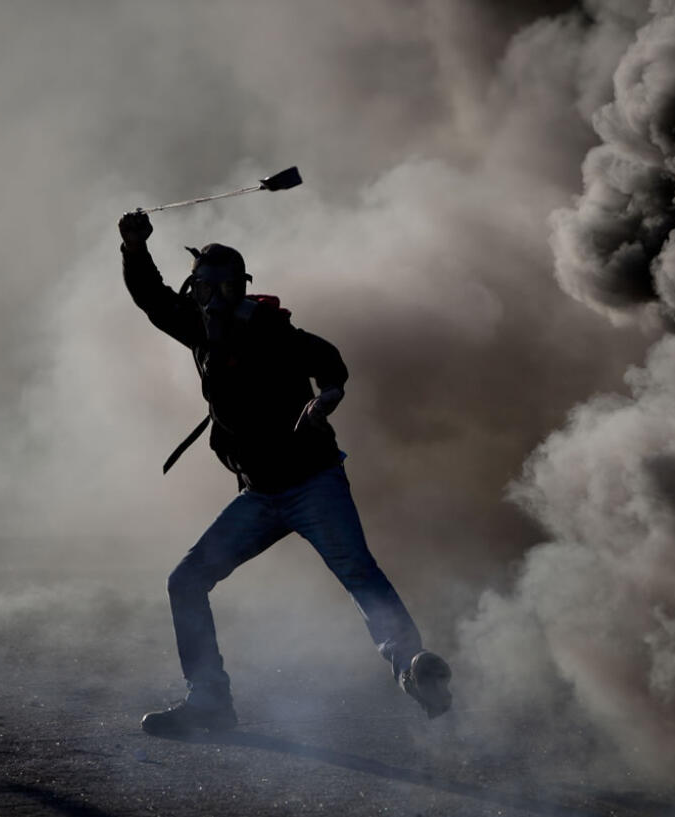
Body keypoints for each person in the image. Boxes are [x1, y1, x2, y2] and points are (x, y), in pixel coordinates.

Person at [118, 210, 451, 736]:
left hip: (312, 483)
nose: (213, 300)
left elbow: (329, 359)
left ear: (239, 289)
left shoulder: (270, 330)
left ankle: (413, 671)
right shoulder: (199, 329)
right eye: (206, 290)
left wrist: (330, 394)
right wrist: (135, 248)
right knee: (186, 582)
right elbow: (152, 298)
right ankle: (210, 704)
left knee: (360, 574)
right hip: (260, 493)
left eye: (223, 289)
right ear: (198, 291)